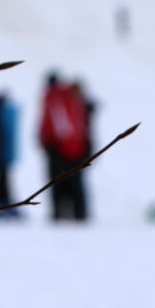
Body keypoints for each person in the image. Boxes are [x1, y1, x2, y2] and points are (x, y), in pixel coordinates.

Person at [38, 74, 91, 221]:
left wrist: (50, 144)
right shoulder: (64, 98)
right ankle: (78, 213)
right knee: (74, 183)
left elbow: (60, 126)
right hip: (71, 148)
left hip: (61, 149)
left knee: (59, 183)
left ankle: (61, 214)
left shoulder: (54, 98)